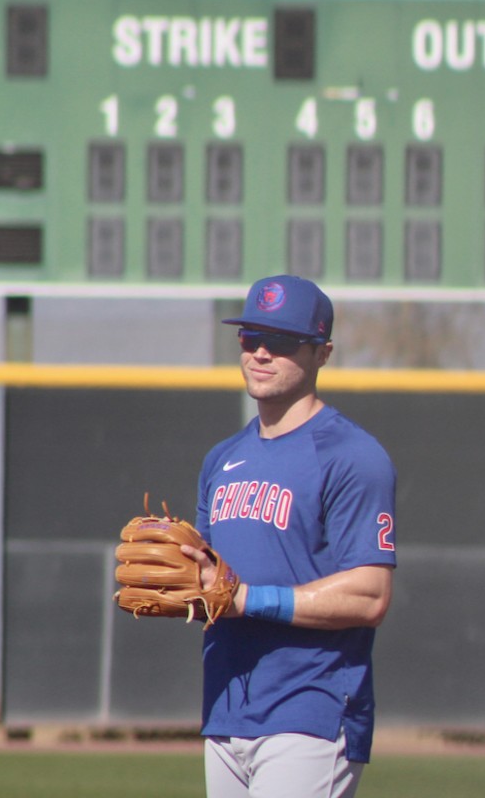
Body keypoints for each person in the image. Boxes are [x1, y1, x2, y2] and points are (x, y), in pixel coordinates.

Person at [184, 274, 398, 798]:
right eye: (249, 337)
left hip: (312, 707)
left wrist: (247, 599)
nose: (260, 352)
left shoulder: (352, 457)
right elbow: (214, 590)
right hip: (227, 707)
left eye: (279, 341)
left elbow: (370, 595)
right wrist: (183, 590)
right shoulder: (222, 460)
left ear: (322, 353)